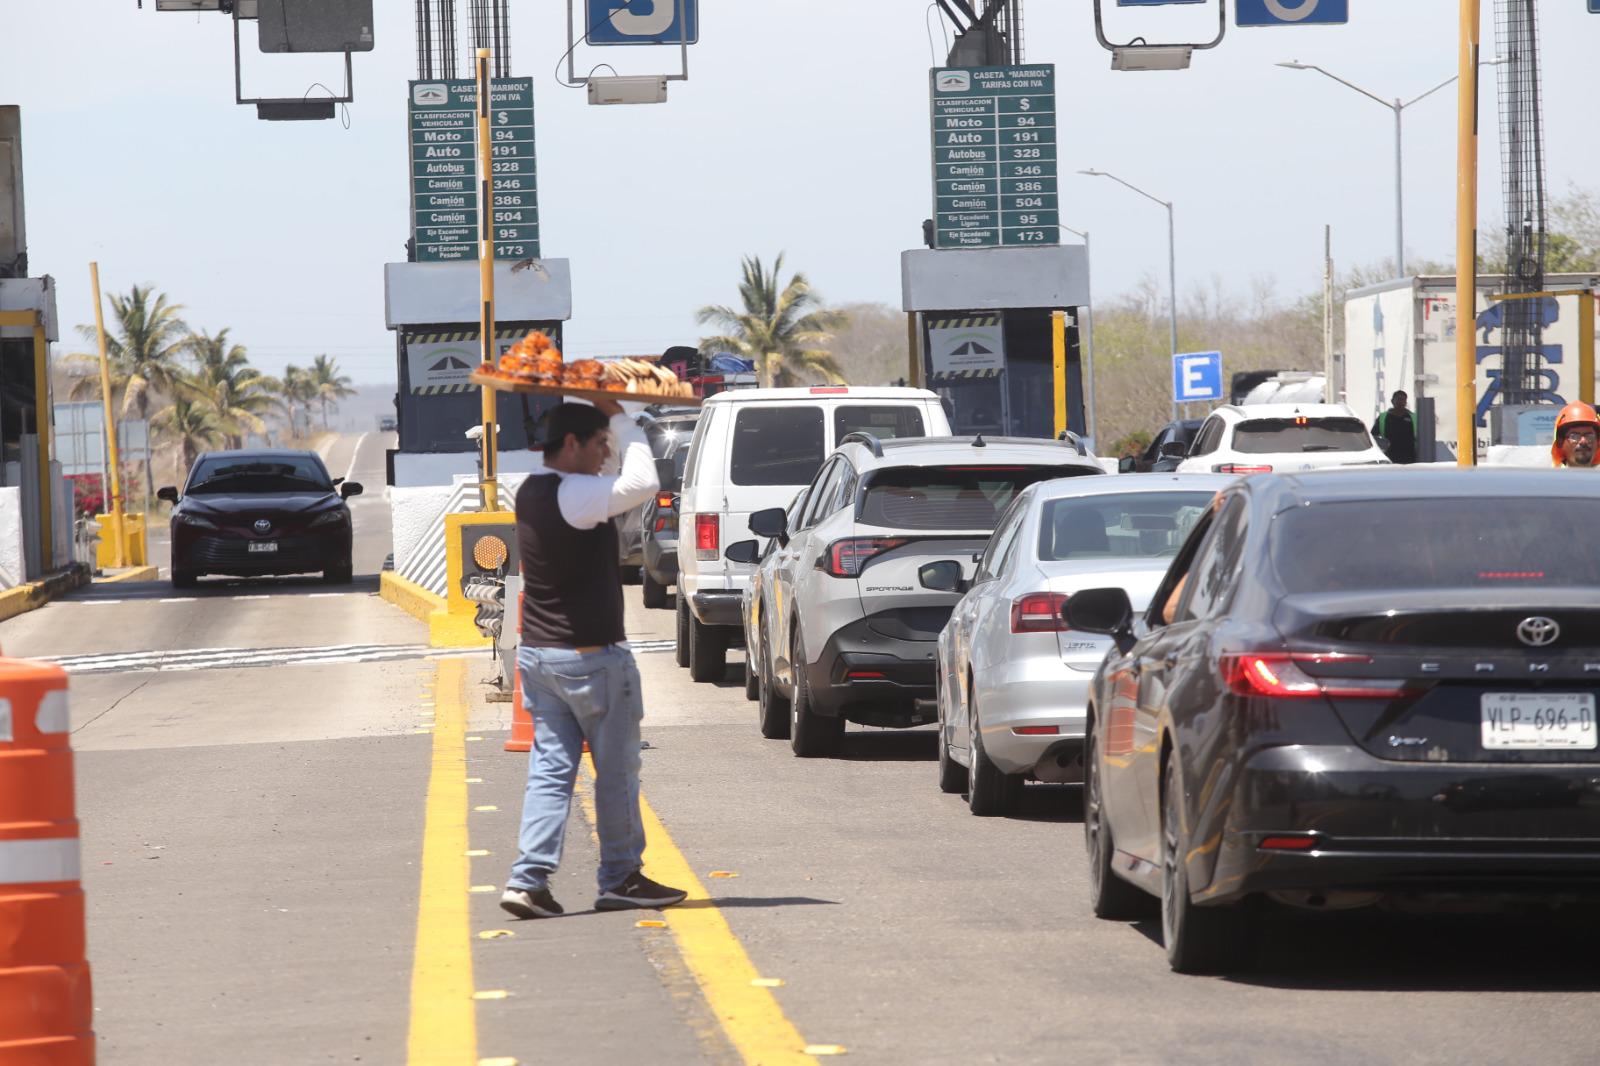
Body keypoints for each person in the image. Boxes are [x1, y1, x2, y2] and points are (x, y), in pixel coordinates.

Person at [501, 400, 686, 919]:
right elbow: (645, 483)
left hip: (541, 659)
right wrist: (626, 421)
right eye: (601, 443)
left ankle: (528, 880)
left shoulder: (534, 489)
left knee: (550, 771)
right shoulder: (574, 493)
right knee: (618, 772)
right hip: (590, 662)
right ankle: (621, 876)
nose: (609, 454)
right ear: (572, 444)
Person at [1373, 390, 1418, 464]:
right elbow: (1374, 437)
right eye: (1398, 399)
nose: (1401, 402)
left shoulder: (1413, 417)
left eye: (1403, 399)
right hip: (1388, 459)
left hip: (1409, 460)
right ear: (1392, 401)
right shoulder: (1383, 417)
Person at [1551, 401, 1600, 468]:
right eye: (1575, 436)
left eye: (1589, 436)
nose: (1583, 441)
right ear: (1560, 442)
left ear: (1598, 442)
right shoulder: (1550, 477)